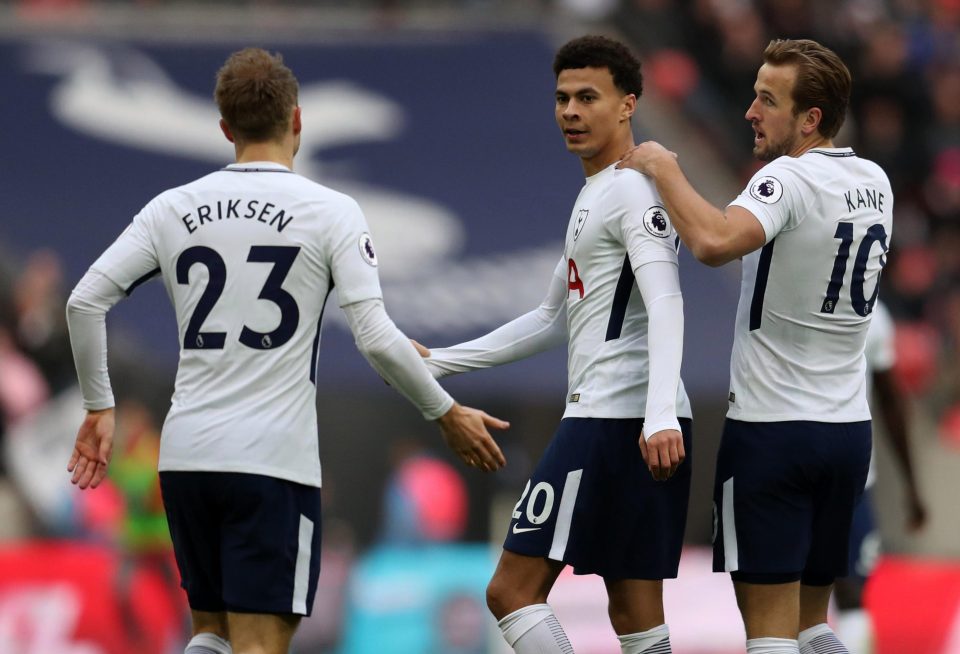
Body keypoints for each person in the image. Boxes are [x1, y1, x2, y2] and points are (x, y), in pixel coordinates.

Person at [64, 47, 508, 654]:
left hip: (188, 458)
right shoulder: (331, 212)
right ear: (297, 120)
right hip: (271, 462)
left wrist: (99, 406)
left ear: (224, 128)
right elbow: (376, 336)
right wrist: (446, 412)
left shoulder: (170, 209)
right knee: (260, 642)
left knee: (210, 633)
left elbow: (83, 302)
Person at [417, 35, 692, 654]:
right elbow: (550, 318)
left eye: (588, 97)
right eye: (562, 97)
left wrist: (658, 414)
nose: (570, 110)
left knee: (510, 593)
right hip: (632, 419)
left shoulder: (628, 192)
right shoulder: (597, 191)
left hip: (616, 419)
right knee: (636, 614)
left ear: (627, 105)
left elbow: (668, 299)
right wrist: (441, 361)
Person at [619, 38, 893, 654]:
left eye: (768, 100)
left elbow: (716, 242)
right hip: (847, 434)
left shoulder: (786, 179)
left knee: (769, 638)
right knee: (814, 626)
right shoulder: (875, 181)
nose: (750, 111)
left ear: (810, 119)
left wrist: (664, 167)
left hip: (774, 434)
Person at [833, 299, 927, 653]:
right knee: (843, 591)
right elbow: (890, 400)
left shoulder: (875, 312)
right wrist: (912, 487)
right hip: (845, 470)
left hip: (842, 474)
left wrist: (912, 485)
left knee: (846, 590)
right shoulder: (871, 307)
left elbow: (890, 400)